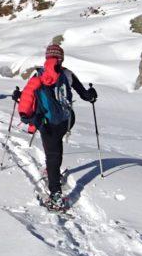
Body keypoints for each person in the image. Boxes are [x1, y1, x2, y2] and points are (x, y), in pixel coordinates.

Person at [14, 43, 96, 210]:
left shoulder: (38, 74)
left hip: (46, 123)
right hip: (66, 121)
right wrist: (92, 94)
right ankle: (54, 174)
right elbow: (85, 95)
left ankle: (56, 196)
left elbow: (27, 96)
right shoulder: (68, 74)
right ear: (61, 59)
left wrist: (17, 96)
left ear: (47, 58)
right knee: (56, 148)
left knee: (52, 154)